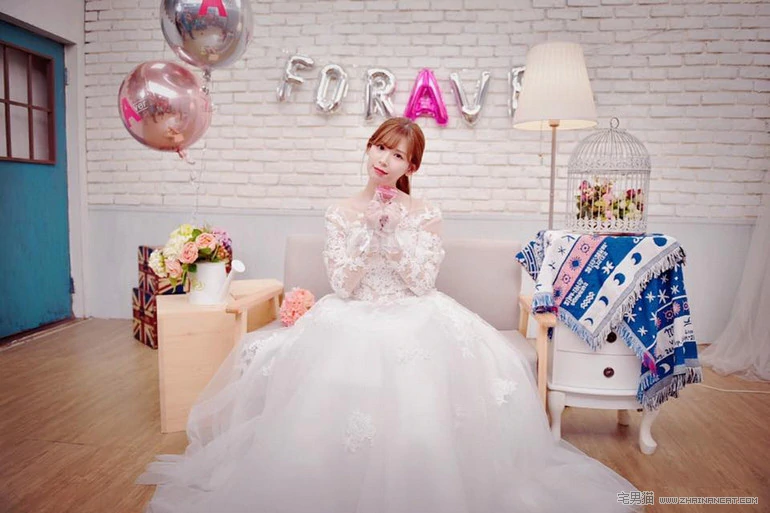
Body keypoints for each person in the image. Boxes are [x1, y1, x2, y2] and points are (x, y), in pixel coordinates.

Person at [138, 117, 641, 512]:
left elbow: (422, 283)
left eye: (397, 154)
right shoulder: (339, 211)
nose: (384, 159)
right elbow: (342, 284)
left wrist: (393, 233)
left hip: (415, 309)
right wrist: (366, 233)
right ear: (368, 149)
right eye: (379, 147)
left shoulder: (426, 213)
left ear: (410, 167)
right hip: (352, 309)